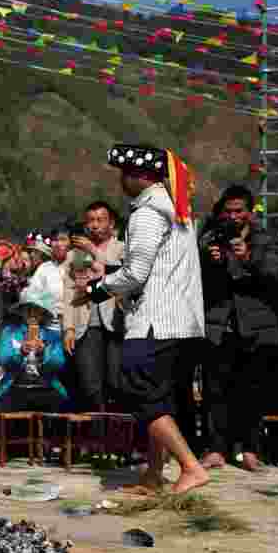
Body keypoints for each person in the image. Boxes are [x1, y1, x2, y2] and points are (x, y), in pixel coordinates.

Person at [84, 143, 208, 494]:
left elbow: (136, 273)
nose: (121, 181)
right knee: (159, 398)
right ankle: (153, 476)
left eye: (125, 173)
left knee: (142, 396)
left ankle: (190, 466)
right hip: (181, 319)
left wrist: (98, 289)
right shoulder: (179, 210)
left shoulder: (147, 213)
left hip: (155, 319)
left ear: (142, 176)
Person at [198, 185, 278, 472]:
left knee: (251, 391)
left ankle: (250, 449)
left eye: (239, 210)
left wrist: (248, 256)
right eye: (228, 210)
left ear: (250, 213)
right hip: (219, 323)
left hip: (255, 325)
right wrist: (210, 260)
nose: (234, 216)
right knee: (215, 390)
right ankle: (216, 449)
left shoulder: (268, 239)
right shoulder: (209, 237)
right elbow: (197, 277)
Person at [63, 202, 125, 412]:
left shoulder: (122, 249)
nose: (95, 225)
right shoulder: (74, 255)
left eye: (100, 220)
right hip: (86, 324)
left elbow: (121, 275)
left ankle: (120, 436)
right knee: (90, 385)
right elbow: (68, 292)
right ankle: (97, 436)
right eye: (90, 220)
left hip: (117, 323)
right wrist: (68, 328)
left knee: (116, 382)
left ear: (111, 223)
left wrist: (93, 251)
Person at [0, 288, 71, 413]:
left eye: (37, 310)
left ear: (43, 313)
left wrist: (43, 353)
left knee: (60, 407)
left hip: (46, 386)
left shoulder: (52, 334)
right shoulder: (10, 331)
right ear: (22, 310)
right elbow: (3, 359)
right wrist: (21, 352)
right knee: (4, 406)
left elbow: (58, 363)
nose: (32, 314)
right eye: (28, 309)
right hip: (14, 386)